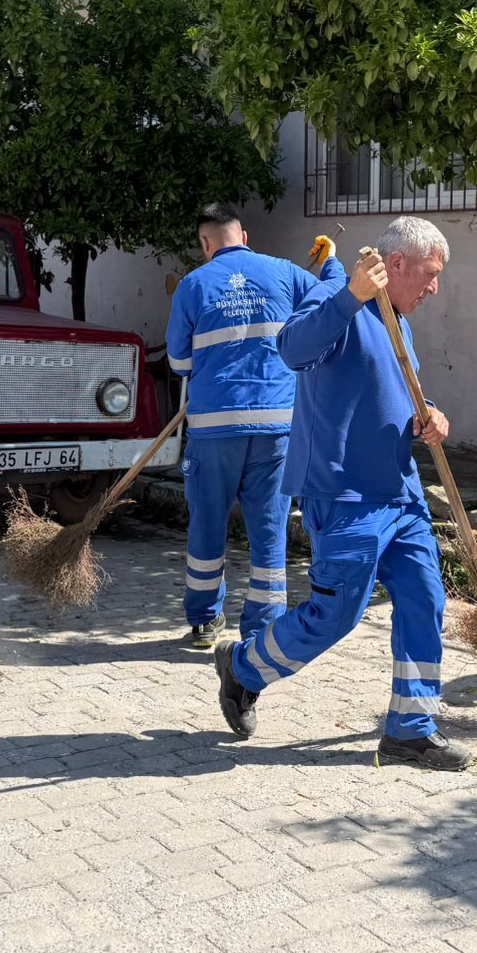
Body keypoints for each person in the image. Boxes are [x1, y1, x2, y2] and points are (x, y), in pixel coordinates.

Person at [210, 215, 471, 771]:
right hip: (348, 496)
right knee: (335, 616)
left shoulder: (399, 320)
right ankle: (243, 668)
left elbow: (399, 393)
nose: (434, 287)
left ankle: (410, 730)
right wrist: (351, 293)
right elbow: (292, 349)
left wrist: (433, 419)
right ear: (396, 264)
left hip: (402, 495)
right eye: (429, 274)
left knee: (426, 599)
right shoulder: (339, 297)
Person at [165, 205, 343, 649]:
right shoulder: (284, 273)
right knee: (269, 528)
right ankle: (263, 630)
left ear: (206, 244)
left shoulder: (192, 286)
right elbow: (337, 296)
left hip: (213, 432)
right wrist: (330, 260)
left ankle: (205, 621)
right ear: (244, 236)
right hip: (276, 428)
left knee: (207, 523)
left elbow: (178, 362)